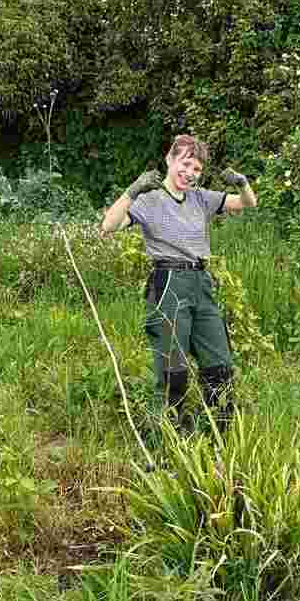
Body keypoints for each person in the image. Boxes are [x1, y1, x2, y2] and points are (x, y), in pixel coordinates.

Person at [100, 134, 257, 428]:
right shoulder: (150, 200)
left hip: (201, 282)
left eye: (197, 169)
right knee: (173, 369)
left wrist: (242, 182)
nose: (190, 173)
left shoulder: (201, 198)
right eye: (185, 164)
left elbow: (247, 203)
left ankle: (219, 436)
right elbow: (109, 225)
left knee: (219, 364)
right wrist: (132, 191)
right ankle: (167, 440)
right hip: (168, 283)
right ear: (170, 160)